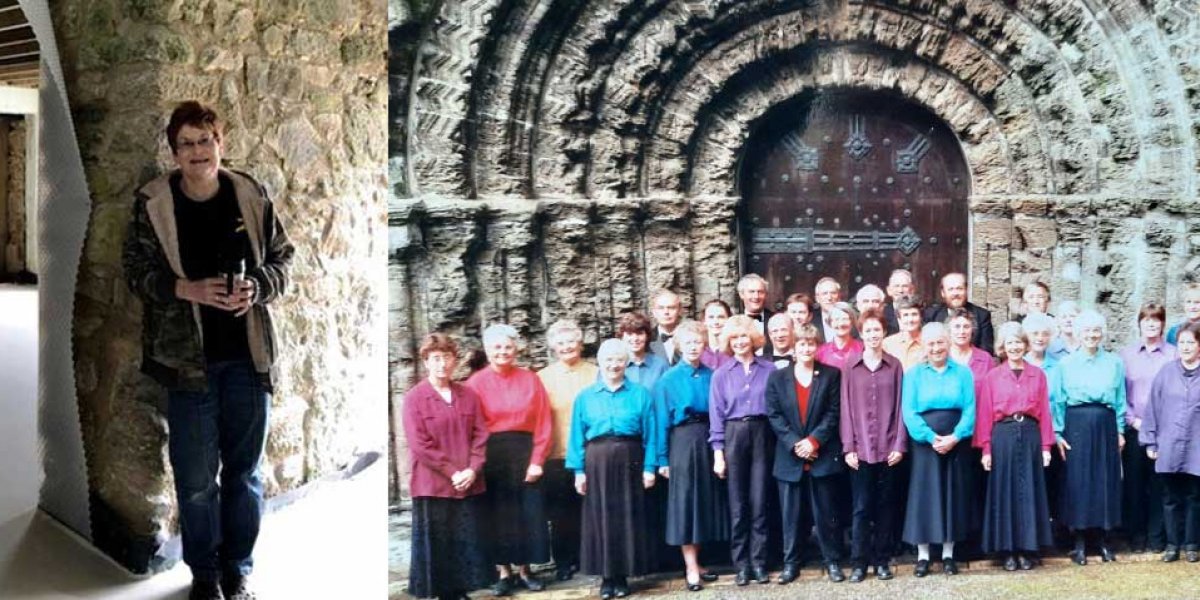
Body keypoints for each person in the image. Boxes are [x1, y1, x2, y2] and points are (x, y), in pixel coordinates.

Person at [122, 101, 293, 600]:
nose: (197, 151)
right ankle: (205, 575)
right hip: (187, 365)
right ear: (174, 152)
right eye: (187, 144)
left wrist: (257, 288)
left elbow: (283, 257)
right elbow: (133, 269)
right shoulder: (153, 201)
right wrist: (185, 289)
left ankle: (238, 569)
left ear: (220, 142)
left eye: (205, 140)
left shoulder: (250, 194)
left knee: (244, 474)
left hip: (248, 357)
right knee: (196, 481)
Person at [404, 334, 495, 600]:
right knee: (439, 542)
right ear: (426, 362)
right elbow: (419, 443)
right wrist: (453, 472)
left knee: (464, 539)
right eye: (435, 358)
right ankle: (442, 593)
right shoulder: (415, 398)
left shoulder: (468, 395)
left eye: (447, 357)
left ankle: (461, 591)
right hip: (434, 484)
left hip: (467, 481)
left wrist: (472, 469)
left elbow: (481, 434)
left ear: (455, 361)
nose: (442, 364)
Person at [567, 339, 659, 600]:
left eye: (619, 359)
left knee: (627, 515)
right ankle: (607, 577)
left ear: (626, 362)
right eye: (608, 360)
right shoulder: (585, 397)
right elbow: (576, 436)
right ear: (600, 361)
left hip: (631, 458)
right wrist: (578, 471)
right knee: (602, 517)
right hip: (597, 461)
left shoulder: (640, 394)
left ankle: (624, 576)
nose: (614, 365)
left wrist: (650, 467)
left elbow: (651, 434)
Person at [465, 324, 552, 595]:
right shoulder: (475, 383)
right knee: (497, 515)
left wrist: (538, 459)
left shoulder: (530, 379)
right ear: (488, 350)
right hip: (491, 454)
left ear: (517, 349)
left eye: (508, 347)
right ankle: (503, 572)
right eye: (497, 347)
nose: (503, 352)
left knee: (526, 514)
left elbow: (544, 422)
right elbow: (469, 426)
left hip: (524, 452)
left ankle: (526, 570)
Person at [767, 323, 848, 584]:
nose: (806, 348)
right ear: (793, 347)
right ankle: (791, 563)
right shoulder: (777, 378)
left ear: (817, 347)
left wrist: (813, 441)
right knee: (791, 516)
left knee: (826, 513)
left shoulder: (831, 375)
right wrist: (795, 443)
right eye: (801, 344)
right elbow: (775, 415)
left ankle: (832, 561)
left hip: (821, 455)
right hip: (789, 457)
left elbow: (833, 412)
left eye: (811, 344)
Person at [653, 321, 728, 591]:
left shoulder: (714, 374)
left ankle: (700, 560)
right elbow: (661, 420)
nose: (694, 347)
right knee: (686, 503)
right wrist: (662, 459)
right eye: (688, 343)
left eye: (698, 342)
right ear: (679, 346)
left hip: (708, 439)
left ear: (704, 344)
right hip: (682, 442)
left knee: (703, 502)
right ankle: (690, 566)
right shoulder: (668, 379)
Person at [975, 323, 1055, 572]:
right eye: (1010, 343)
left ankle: (1027, 549)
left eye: (1019, 342)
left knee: (1029, 491)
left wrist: (1045, 446)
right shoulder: (993, 376)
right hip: (1004, 436)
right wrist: (986, 449)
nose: (1015, 347)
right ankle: (1008, 551)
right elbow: (986, 413)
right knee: (1005, 492)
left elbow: (1044, 411)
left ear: (1025, 345)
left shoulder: (1038, 375)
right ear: (1003, 347)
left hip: (1030, 433)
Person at [901, 322, 976, 577]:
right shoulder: (913, 374)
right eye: (931, 343)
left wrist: (955, 436)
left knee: (951, 495)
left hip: (956, 442)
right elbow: (909, 412)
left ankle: (948, 554)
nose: (936, 348)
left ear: (948, 343)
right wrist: (931, 437)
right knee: (925, 497)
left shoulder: (963, 373)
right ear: (924, 345)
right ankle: (923, 556)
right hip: (925, 444)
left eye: (940, 342)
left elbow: (969, 409)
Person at [1053, 309, 1126, 566]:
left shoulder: (1114, 362)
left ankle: (1105, 541)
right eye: (1087, 331)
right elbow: (1058, 401)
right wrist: (1058, 433)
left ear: (1102, 334)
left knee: (1105, 481)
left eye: (1096, 331)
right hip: (1077, 424)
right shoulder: (1066, 364)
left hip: (1105, 423)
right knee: (1079, 482)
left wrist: (1119, 430)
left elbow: (1119, 399)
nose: (1092, 335)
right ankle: (1079, 542)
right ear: (1079, 333)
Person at [708, 315, 775, 586]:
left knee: (760, 501)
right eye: (734, 338)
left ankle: (759, 562)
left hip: (762, 433)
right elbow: (716, 416)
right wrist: (718, 453)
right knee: (738, 504)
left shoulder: (769, 369)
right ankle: (741, 565)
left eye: (743, 337)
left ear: (754, 340)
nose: (739, 342)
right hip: (734, 433)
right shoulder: (721, 374)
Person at [840, 311, 906, 582]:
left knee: (885, 506)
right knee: (861, 507)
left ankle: (882, 561)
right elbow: (845, 409)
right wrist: (848, 447)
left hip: (888, 447)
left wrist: (900, 444)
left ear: (884, 332)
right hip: (861, 449)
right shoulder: (849, 366)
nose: (873, 335)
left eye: (877, 330)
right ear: (861, 333)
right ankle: (859, 563)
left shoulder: (895, 366)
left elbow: (902, 406)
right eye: (867, 330)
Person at [536, 320, 599, 581]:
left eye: (571, 341)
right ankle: (564, 561)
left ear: (580, 343)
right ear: (552, 347)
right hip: (557, 454)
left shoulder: (595, 372)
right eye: (560, 343)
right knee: (562, 513)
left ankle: (591, 556)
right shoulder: (542, 377)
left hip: (592, 453)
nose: (566, 347)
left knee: (591, 508)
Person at [1142, 321, 1200, 563]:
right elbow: (1153, 408)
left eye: (1191, 342)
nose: (1186, 347)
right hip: (1169, 444)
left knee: (1195, 498)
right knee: (1170, 497)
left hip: (1197, 447)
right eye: (1182, 342)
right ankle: (1172, 545)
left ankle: (1192, 544)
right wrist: (1151, 442)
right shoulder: (1166, 373)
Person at [1119, 303, 1174, 554]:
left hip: (1166, 430)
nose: (1151, 324)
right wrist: (1132, 420)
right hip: (1136, 428)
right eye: (1146, 320)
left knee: (1161, 484)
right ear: (1139, 323)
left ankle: (1156, 535)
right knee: (1134, 484)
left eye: (1156, 319)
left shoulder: (1173, 354)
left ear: (1163, 323)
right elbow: (1121, 394)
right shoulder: (1126, 355)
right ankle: (1136, 535)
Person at [925, 273, 994, 356]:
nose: (955, 293)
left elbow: (986, 351)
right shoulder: (931, 315)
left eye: (959, 288)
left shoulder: (982, 316)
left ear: (966, 290)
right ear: (943, 293)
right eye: (951, 289)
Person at [617, 312, 669, 391]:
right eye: (630, 334)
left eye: (639, 333)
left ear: (647, 336)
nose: (635, 339)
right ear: (622, 336)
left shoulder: (660, 365)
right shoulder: (613, 365)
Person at [816, 302, 863, 370]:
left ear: (852, 321)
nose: (841, 324)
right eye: (836, 319)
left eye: (845, 319)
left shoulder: (862, 349)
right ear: (830, 323)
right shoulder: (821, 352)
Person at [883, 296, 925, 370]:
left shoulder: (929, 341)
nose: (910, 319)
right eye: (906, 315)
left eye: (914, 314)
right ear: (899, 318)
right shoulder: (888, 344)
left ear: (921, 317)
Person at [737, 274, 773, 354]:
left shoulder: (776, 320)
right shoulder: (734, 322)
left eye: (760, 292)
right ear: (742, 294)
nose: (756, 296)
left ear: (766, 295)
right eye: (751, 292)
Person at [651, 289, 684, 365]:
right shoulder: (647, 339)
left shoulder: (691, 336)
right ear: (654, 312)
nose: (666, 312)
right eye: (661, 308)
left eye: (671, 307)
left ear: (680, 311)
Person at [701, 299, 734, 370]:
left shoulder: (735, 350)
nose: (716, 322)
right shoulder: (698, 350)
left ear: (729, 319)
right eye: (711, 317)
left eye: (721, 317)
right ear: (704, 321)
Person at [884, 269, 916, 335]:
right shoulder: (883, 315)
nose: (900, 290)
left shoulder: (922, 314)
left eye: (905, 286)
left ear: (912, 290)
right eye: (896, 286)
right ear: (889, 290)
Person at [812, 277, 842, 341]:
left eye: (833, 293)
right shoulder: (811, 320)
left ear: (839, 297)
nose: (829, 297)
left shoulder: (850, 319)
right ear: (817, 298)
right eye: (824, 293)